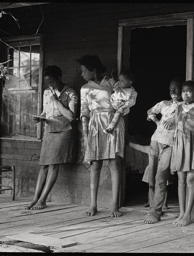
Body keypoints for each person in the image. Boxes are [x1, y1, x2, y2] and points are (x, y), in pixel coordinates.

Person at [78, 55, 125, 217]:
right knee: (95, 164)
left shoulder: (111, 83)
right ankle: (93, 205)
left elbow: (123, 102)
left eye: (84, 71)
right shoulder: (84, 88)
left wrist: (117, 86)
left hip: (112, 122)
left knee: (113, 163)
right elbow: (84, 111)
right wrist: (85, 134)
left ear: (94, 70)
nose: (82, 74)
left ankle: (114, 206)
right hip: (95, 124)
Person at [25, 65, 78, 210]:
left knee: (54, 164)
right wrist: (40, 118)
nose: (50, 85)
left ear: (59, 78)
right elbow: (46, 112)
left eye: (52, 82)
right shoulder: (47, 92)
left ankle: (43, 199)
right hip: (49, 130)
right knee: (43, 166)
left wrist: (56, 102)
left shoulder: (71, 93)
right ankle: (35, 198)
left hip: (63, 131)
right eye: (48, 82)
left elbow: (71, 116)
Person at [143, 77, 183, 224]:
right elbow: (150, 111)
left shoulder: (185, 106)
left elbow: (187, 121)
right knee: (152, 176)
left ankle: (156, 211)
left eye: (176, 88)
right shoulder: (164, 104)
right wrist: (156, 121)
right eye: (171, 88)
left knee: (161, 176)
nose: (173, 91)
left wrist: (175, 120)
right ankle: (152, 206)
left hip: (169, 144)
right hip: (155, 141)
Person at [170, 81, 194, 227]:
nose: (185, 94)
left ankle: (188, 214)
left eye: (189, 91)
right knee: (180, 178)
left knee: (191, 179)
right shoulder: (178, 107)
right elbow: (175, 127)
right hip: (180, 145)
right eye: (183, 91)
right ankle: (181, 212)